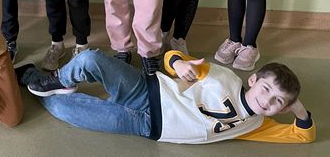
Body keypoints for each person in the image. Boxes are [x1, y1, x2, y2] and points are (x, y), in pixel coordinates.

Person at [23, 49, 315, 144]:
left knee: (64, 110)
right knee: (89, 59)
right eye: (266, 89)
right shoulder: (223, 77)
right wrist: (178, 64)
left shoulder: (258, 125)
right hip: (148, 91)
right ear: (253, 80)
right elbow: (171, 57)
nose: (267, 101)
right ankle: (58, 79)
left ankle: (26, 77)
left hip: (146, 127)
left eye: (277, 102)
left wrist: (295, 106)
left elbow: (303, 136)